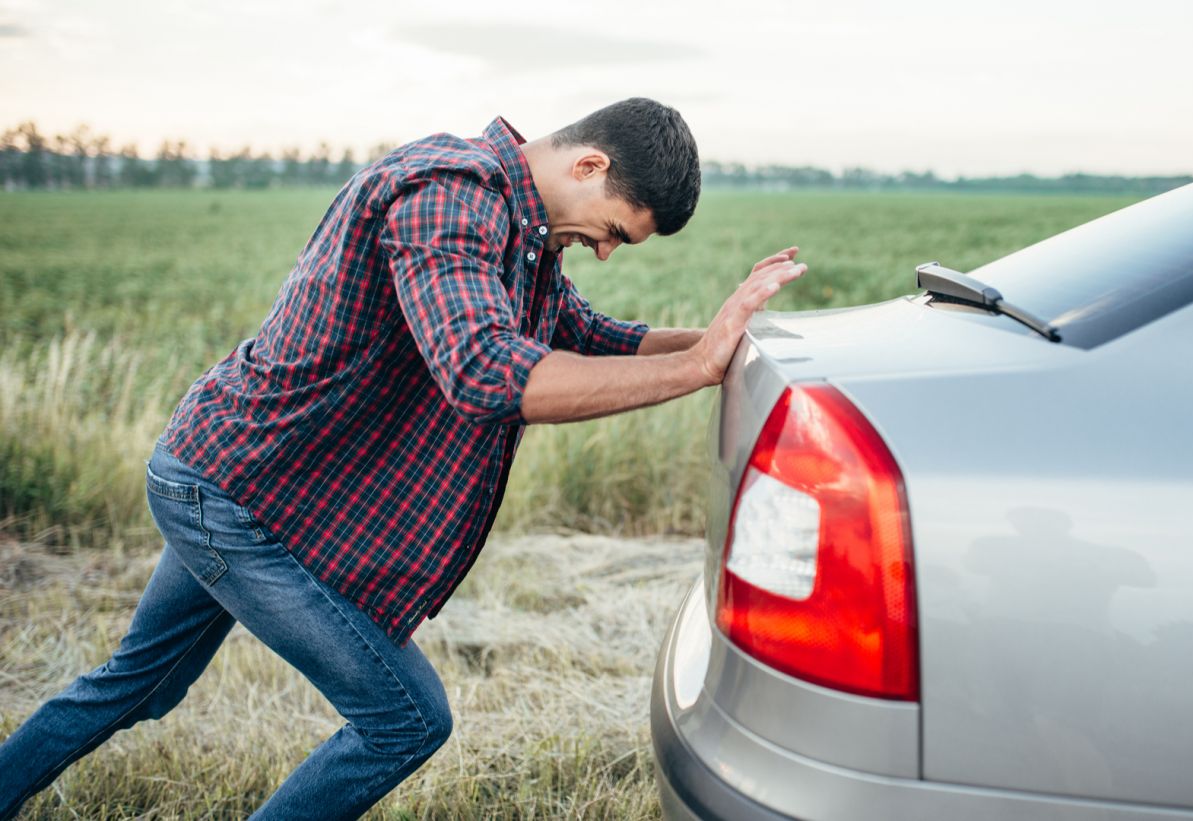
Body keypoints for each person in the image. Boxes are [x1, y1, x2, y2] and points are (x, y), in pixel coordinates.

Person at [0, 97, 805, 819]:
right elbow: (483, 370)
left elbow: (586, 337)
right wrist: (694, 369)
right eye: (615, 230)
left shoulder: (524, 233)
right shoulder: (450, 194)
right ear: (589, 166)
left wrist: (720, 342)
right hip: (234, 491)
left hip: (256, 486)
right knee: (408, 717)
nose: (604, 252)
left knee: (138, 683)